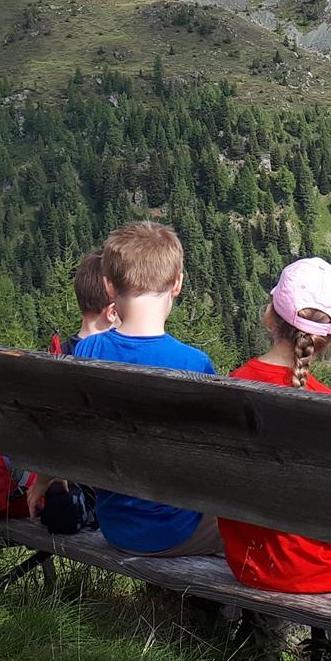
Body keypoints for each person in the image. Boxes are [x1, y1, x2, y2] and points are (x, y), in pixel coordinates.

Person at [219, 258, 331, 592]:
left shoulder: (233, 385)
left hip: (248, 562)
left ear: (270, 315)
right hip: (321, 572)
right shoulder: (330, 406)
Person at [70, 221, 219, 555]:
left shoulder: (88, 352)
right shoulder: (194, 364)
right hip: (176, 531)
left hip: (115, 525)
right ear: (177, 282)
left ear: (109, 287)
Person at [25, 249, 116, 524]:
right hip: (114, 498)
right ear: (113, 311)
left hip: (66, 480)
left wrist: (45, 476)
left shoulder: (59, 357)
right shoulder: (120, 364)